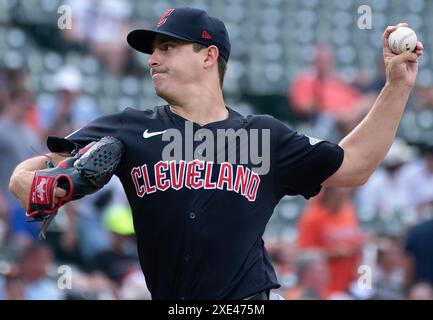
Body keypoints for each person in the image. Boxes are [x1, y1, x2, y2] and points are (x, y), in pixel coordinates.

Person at [8, 8, 423, 300]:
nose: (153, 58)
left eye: (168, 47)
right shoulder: (127, 128)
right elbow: (26, 181)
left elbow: (353, 166)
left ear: (209, 56)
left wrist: (397, 87)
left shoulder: (262, 136)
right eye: (153, 49)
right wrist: (50, 181)